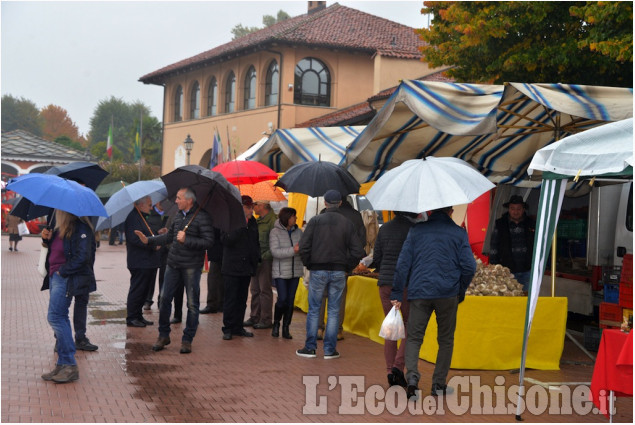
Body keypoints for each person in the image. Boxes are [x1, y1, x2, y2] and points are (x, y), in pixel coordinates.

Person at [391, 206, 476, 399]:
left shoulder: (416, 231)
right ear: (451, 212)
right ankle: (438, 384)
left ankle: (412, 380)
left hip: (420, 291)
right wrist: (460, 290)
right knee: (445, 340)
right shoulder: (458, 233)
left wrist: (397, 291)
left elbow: (403, 264)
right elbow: (469, 267)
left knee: (414, 337)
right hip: (447, 293)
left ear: (429, 212)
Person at [135, 188, 214, 354]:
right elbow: (169, 237)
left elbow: (208, 242)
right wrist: (148, 240)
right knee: (164, 299)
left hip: (191, 266)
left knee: (192, 304)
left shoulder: (203, 216)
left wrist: (188, 240)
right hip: (173, 264)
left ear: (189, 200)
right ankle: (163, 335)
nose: (175, 201)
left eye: (178, 198)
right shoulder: (178, 216)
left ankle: (187, 340)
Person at [297, 189, 365, 359]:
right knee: (334, 310)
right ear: (340, 203)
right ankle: (329, 349)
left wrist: (309, 263)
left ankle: (310, 347)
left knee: (314, 309)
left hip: (318, 269)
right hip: (338, 271)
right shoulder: (347, 223)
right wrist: (347, 267)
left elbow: (304, 247)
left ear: (325, 203)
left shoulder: (315, 221)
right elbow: (358, 251)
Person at [40, 209, 97, 383]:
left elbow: (83, 256)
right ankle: (63, 363)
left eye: (59, 209)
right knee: (59, 316)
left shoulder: (80, 228)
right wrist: (45, 239)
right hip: (55, 276)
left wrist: (62, 272)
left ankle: (69, 364)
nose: (56, 211)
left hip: (64, 277)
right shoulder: (59, 228)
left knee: (56, 317)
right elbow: (55, 250)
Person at [372, 211, 420, 388]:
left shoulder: (385, 228)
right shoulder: (415, 229)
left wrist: (384, 268)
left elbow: (377, 257)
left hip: (385, 283)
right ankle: (398, 366)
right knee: (409, 326)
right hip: (406, 283)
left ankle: (389, 371)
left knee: (391, 326)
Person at [316, 196, 366, 341]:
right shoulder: (355, 216)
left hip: (322, 264)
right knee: (338, 298)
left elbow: (311, 242)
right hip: (342, 266)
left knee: (321, 297)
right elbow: (361, 243)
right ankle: (336, 331)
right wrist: (349, 265)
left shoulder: (322, 215)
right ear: (343, 201)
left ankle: (319, 328)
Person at [221, 196, 261, 340]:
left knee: (242, 299)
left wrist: (256, 258)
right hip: (232, 267)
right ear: (241, 208)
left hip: (246, 267)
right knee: (230, 299)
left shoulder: (253, 222)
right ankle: (228, 328)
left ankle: (238, 327)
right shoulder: (230, 221)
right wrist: (240, 226)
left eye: (252, 207)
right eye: (248, 207)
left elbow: (255, 242)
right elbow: (226, 240)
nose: (251, 210)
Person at [124, 196, 159, 328]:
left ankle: (138, 315)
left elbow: (147, 233)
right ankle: (132, 317)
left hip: (147, 261)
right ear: (140, 205)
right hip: (139, 261)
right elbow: (135, 239)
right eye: (149, 205)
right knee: (137, 289)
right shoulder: (133, 218)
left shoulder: (142, 217)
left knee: (143, 290)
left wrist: (158, 234)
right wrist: (152, 245)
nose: (151, 208)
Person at [269, 207, 303, 339]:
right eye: (294, 216)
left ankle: (286, 327)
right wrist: (293, 250)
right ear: (287, 217)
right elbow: (275, 252)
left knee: (290, 300)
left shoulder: (298, 232)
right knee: (282, 299)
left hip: (295, 271)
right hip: (281, 272)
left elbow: (303, 248)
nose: (295, 219)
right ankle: (276, 323)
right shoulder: (275, 232)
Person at [489, 195, 535, 291]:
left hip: (527, 270)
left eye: (518, 209)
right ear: (508, 209)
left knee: (526, 299)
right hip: (506, 271)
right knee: (509, 299)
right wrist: (494, 266)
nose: (515, 212)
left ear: (523, 209)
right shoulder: (500, 224)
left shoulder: (532, 224)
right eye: (512, 208)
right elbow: (494, 246)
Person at [244, 200, 277, 329]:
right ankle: (254, 316)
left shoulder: (273, 221)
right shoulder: (257, 221)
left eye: (255, 204)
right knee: (255, 290)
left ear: (263, 205)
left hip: (265, 260)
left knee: (265, 290)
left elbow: (274, 244)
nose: (253, 207)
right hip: (256, 260)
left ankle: (266, 319)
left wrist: (263, 257)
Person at [143, 201, 170, 311]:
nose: (164, 203)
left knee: (164, 277)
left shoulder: (170, 215)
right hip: (154, 250)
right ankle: (148, 300)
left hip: (166, 250)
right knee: (151, 276)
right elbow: (147, 233)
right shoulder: (150, 215)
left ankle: (162, 301)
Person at [200, 227, 224, 314]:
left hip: (221, 252)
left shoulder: (220, 220)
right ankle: (214, 304)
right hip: (215, 252)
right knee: (213, 279)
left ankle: (215, 304)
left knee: (215, 279)